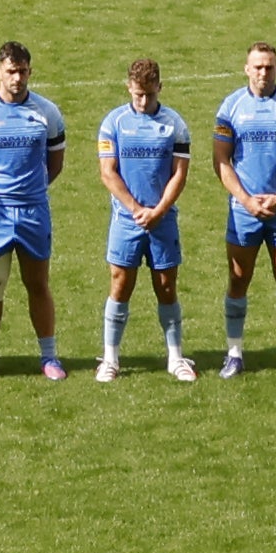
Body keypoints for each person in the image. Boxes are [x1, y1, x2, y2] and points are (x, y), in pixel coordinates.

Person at [0, 40, 76, 376]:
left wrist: (30, 191)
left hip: (33, 212)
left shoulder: (47, 113)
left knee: (38, 283)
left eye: (23, 71)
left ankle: (49, 357)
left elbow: (55, 164)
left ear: (30, 72)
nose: (17, 78)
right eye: (11, 71)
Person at [208, 45, 276, 371]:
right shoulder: (231, 107)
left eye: (269, 67)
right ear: (246, 69)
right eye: (257, 67)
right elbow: (221, 160)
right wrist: (246, 200)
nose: (263, 73)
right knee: (238, 278)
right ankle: (234, 354)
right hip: (244, 210)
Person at [96, 56, 202, 376]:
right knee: (120, 284)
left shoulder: (174, 124)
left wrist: (159, 210)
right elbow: (108, 173)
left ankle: (175, 358)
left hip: (163, 219)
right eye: (138, 94)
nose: (143, 101)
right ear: (129, 87)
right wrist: (136, 209)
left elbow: (179, 174)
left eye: (150, 94)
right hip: (127, 220)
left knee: (166, 287)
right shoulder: (113, 123)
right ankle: (111, 359)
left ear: (160, 87)